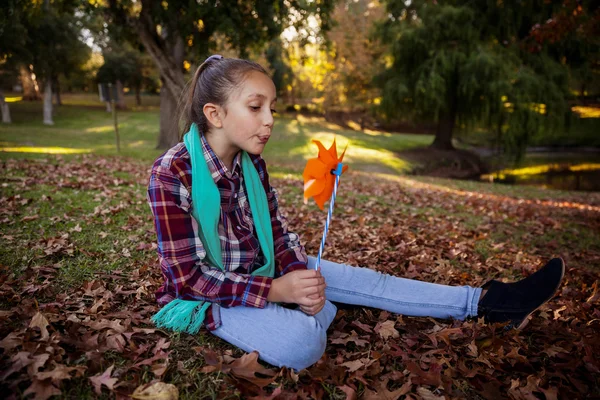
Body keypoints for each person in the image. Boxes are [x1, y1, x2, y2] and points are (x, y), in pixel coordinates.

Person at [147, 56, 565, 371]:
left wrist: (299, 276)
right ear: (215, 114)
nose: (270, 120)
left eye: (272, 107)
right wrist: (280, 292)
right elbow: (188, 277)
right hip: (207, 297)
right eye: (256, 107)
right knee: (302, 347)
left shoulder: (251, 162)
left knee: (369, 281)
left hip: (266, 272)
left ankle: (489, 302)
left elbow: (276, 232)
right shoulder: (173, 173)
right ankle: (307, 315)